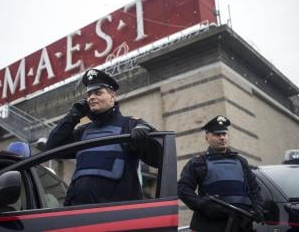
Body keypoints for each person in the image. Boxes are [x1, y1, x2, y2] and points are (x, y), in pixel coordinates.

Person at [46, 69, 160, 206]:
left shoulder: (131, 125)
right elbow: (52, 147)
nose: (91, 97)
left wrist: (145, 140)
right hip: (77, 212)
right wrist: (72, 116)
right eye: (89, 94)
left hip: (116, 215)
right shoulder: (83, 131)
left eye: (98, 93)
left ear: (113, 96)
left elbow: (159, 159)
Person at [177, 115, 264, 232]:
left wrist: (258, 208)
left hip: (240, 224)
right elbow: (183, 189)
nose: (222, 138)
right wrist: (204, 206)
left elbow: (254, 188)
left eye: (224, 134)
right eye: (217, 135)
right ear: (207, 138)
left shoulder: (241, 161)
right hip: (210, 224)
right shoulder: (198, 162)